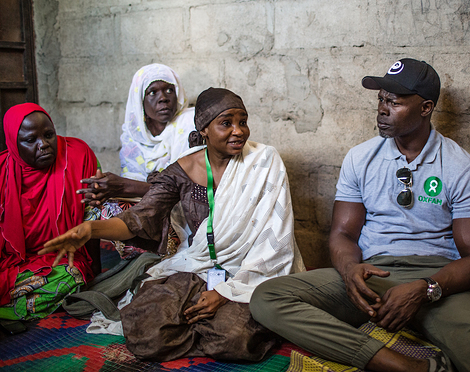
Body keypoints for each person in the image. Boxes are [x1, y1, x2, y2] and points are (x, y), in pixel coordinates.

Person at [250, 59, 470, 372]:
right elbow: (343, 234)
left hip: (437, 283)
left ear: (425, 108)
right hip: (374, 274)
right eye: (380, 100)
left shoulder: (461, 168)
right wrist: (350, 271)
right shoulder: (360, 158)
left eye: (394, 102)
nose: (382, 110)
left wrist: (425, 289)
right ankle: (406, 366)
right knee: (268, 298)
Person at [41, 88, 305, 362]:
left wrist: (226, 294)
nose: (238, 131)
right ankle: (205, 328)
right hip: (198, 266)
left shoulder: (264, 162)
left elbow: (274, 242)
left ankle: (214, 326)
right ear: (203, 129)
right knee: (146, 333)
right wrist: (91, 230)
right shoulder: (181, 170)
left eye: (243, 122)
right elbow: (137, 219)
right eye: (226, 123)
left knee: (232, 340)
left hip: (250, 272)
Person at [79, 63, 195, 257]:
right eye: (152, 93)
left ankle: (162, 253)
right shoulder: (133, 136)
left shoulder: (190, 125)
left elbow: (187, 190)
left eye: (169, 90)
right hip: (151, 203)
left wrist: (124, 186)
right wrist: (106, 191)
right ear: (139, 100)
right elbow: (135, 187)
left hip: (185, 210)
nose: (163, 99)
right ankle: (93, 269)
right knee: (99, 207)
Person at [0, 103, 98, 320]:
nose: (43, 145)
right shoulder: (2, 174)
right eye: (30, 140)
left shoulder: (77, 155)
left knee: (71, 277)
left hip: (61, 258)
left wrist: (95, 272)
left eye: (48, 135)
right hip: (15, 262)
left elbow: (93, 214)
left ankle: (9, 312)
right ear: (13, 144)